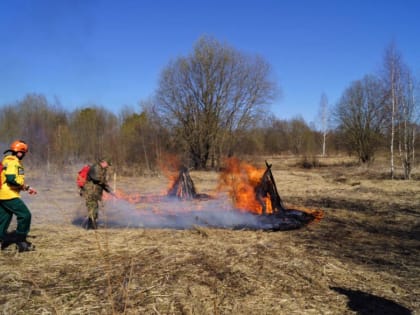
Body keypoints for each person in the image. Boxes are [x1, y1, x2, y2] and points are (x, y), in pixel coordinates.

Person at [0, 140, 37, 252]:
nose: (24, 155)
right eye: (24, 153)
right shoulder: (14, 162)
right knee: (25, 215)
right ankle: (21, 242)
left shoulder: (6, 160)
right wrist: (24, 186)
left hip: (2, 194)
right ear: (20, 152)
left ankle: (2, 239)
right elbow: (11, 179)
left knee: (4, 219)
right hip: (9, 194)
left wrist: (26, 188)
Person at [82, 158, 112, 230]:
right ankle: (90, 226)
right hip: (90, 192)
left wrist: (108, 189)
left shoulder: (102, 169)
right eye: (107, 164)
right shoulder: (95, 167)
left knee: (94, 208)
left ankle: (92, 225)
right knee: (92, 207)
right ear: (103, 162)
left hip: (95, 192)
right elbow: (97, 179)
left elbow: (102, 182)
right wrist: (106, 185)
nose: (107, 166)